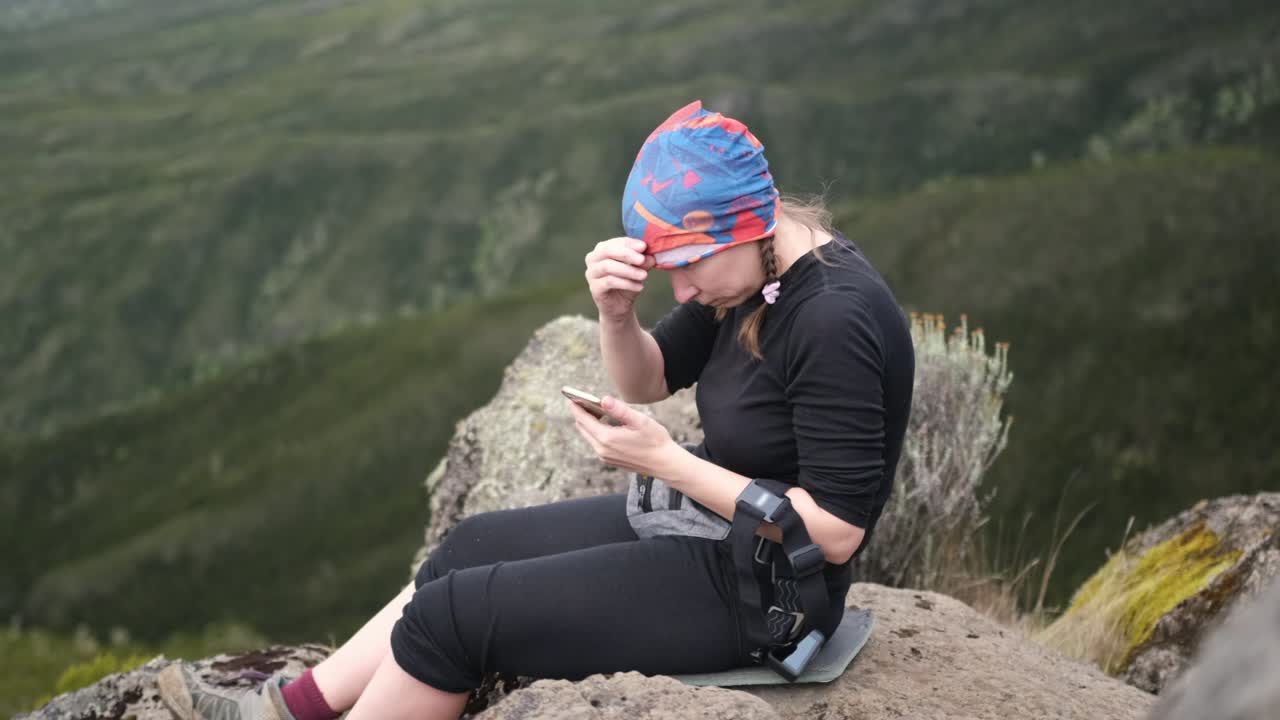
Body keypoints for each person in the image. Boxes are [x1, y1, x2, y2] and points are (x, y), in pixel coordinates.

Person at [155, 99, 915, 720]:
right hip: (715, 532)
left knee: (451, 620)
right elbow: (650, 378)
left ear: (745, 227)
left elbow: (838, 532)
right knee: (465, 549)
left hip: (772, 596)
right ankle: (288, 714)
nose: (680, 290)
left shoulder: (829, 317)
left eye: (686, 268)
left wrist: (667, 463)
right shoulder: (748, 271)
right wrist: (616, 314)